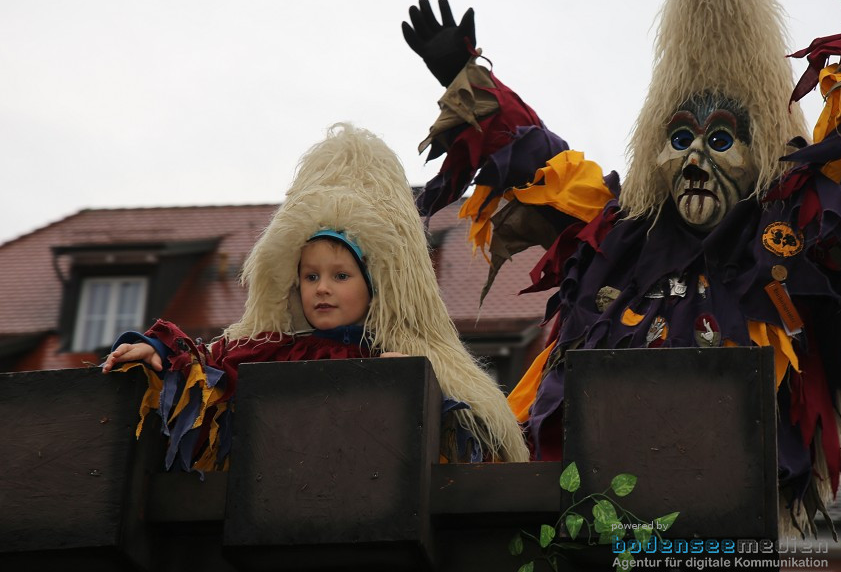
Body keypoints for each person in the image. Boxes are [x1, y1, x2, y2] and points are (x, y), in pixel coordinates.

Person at [401, 0, 841, 533]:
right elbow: (537, 161)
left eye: (720, 139)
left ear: (761, 155)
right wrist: (465, 77)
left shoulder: (788, 239)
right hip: (595, 526)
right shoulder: (616, 233)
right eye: (679, 138)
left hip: (720, 524)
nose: (695, 160)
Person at [103, 123, 530, 470]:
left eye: (341, 275)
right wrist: (158, 351)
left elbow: (472, 440)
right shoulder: (266, 352)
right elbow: (204, 370)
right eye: (310, 276)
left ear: (374, 285)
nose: (322, 287)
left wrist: (422, 385)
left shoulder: (398, 359)